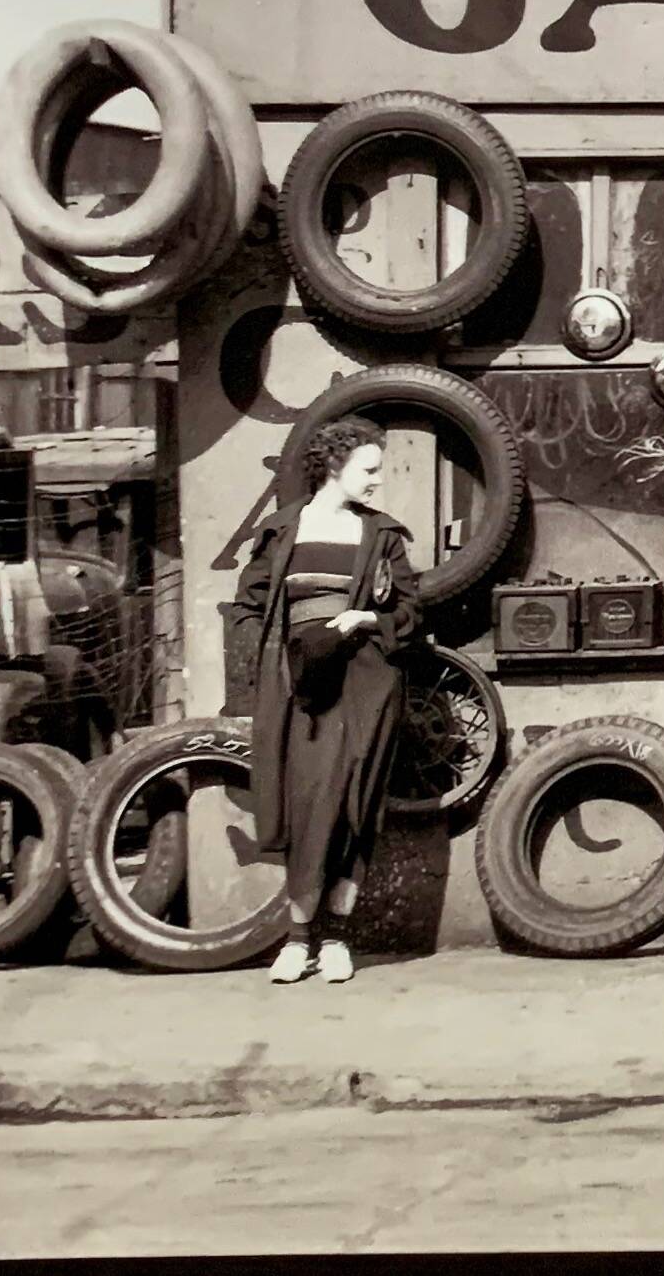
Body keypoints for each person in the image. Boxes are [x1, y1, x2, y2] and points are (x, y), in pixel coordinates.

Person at [222, 416, 421, 984]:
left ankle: (336, 939)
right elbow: (249, 605)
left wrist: (367, 618)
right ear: (335, 465)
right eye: (369, 469)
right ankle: (298, 940)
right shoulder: (283, 530)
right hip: (301, 689)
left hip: (365, 685)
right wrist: (274, 664)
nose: (378, 481)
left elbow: (410, 612)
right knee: (309, 804)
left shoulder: (381, 535)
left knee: (354, 805)